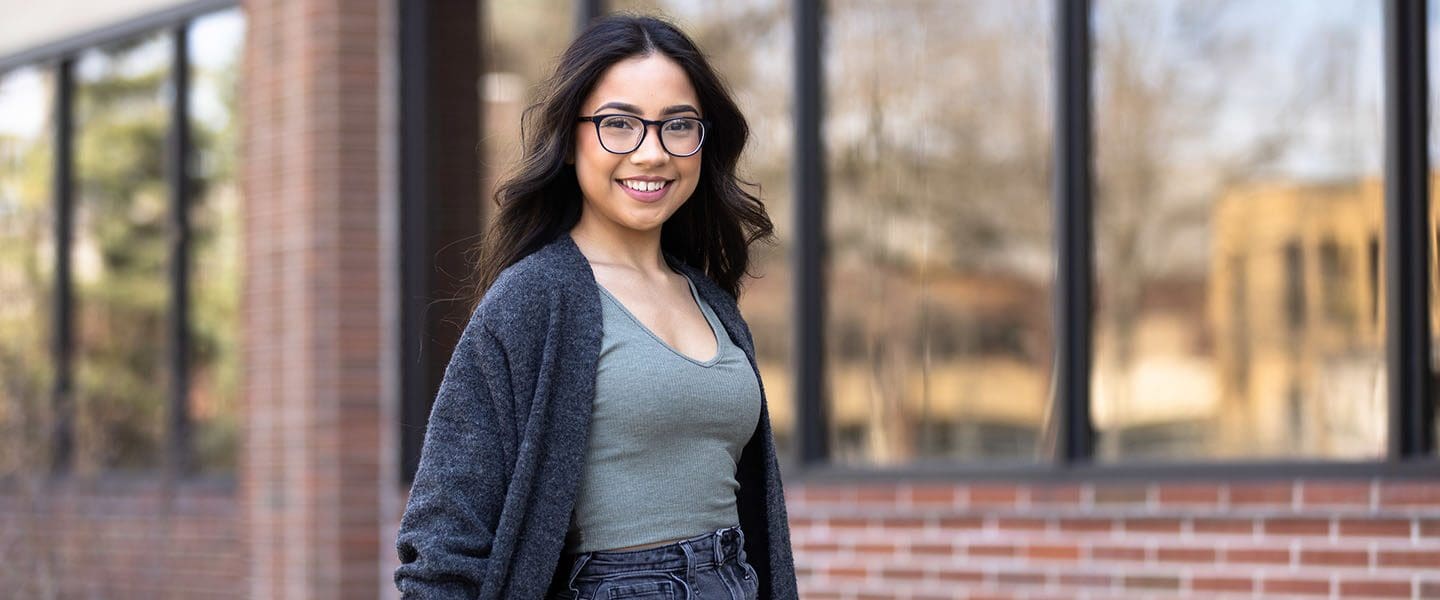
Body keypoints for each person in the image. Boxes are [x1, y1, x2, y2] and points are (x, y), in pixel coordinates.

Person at [393, 14, 798, 600]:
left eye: (678, 126)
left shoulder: (711, 300)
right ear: (569, 140)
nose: (652, 152)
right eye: (619, 124)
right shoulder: (534, 299)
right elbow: (444, 538)